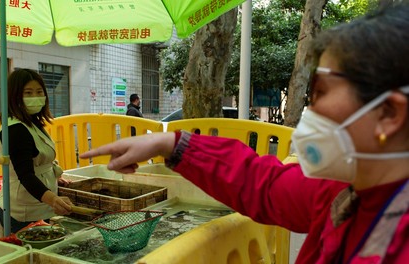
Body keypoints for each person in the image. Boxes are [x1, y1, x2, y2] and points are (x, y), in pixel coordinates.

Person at [80, 4, 409, 263]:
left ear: (389, 113)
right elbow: (266, 186)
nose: (312, 106)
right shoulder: (347, 191)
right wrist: (171, 144)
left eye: (319, 89)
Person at [0, 68, 74, 233]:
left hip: (38, 204)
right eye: (28, 93)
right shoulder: (15, 129)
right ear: (15, 96)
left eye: (39, 92)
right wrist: (54, 200)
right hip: (23, 212)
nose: (36, 97)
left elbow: (38, 160)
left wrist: (52, 176)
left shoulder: (31, 123)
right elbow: (25, 175)